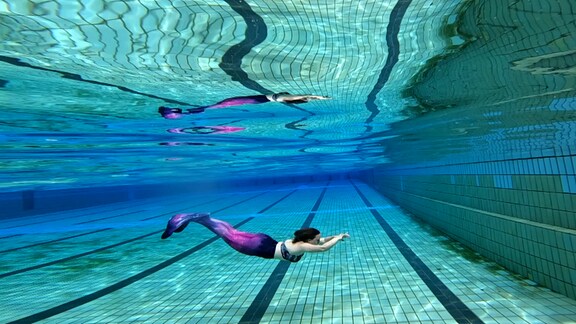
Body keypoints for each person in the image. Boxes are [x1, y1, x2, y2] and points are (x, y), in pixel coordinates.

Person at [161, 212, 350, 262]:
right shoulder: (303, 247)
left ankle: (203, 218)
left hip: (264, 241)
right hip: (257, 247)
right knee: (227, 233)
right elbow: (323, 247)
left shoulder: (302, 242)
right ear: (309, 240)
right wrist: (334, 240)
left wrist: (339, 236)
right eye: (317, 238)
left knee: (230, 231)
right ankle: (194, 218)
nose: (320, 239)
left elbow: (324, 241)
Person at [159, 92, 331, 119]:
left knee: (212, 107)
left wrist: (318, 97)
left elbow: (301, 97)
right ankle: (174, 112)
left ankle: (174, 112)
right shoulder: (276, 98)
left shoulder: (277, 97)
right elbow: (301, 97)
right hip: (233, 101)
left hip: (234, 101)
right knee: (211, 107)